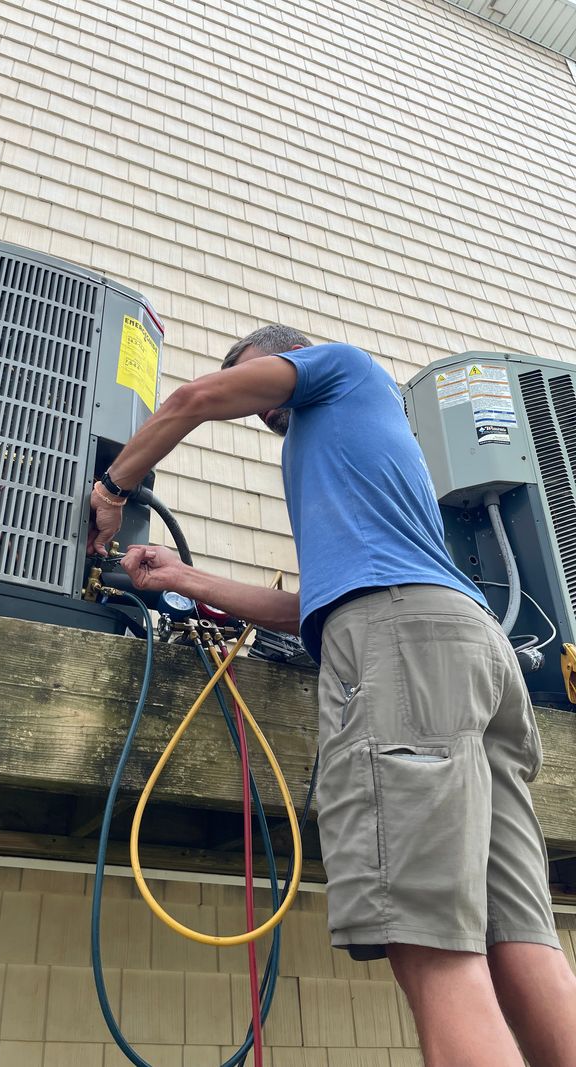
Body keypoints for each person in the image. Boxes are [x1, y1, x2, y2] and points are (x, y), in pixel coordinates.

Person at [87, 325, 576, 1067]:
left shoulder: (340, 370)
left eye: (253, 382)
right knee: (517, 932)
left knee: (430, 940)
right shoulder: (351, 448)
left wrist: (112, 486)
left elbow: (192, 399)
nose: (258, 411)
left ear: (288, 357)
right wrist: (183, 579)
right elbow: (316, 604)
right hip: (467, 648)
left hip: (406, 644)